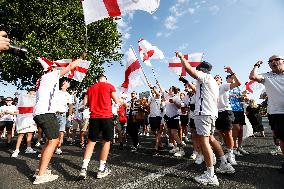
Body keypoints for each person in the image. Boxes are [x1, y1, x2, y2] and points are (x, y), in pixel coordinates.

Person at [177, 51, 235, 186]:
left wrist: (181, 57)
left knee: (204, 142)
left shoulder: (204, 76)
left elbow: (188, 69)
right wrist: (185, 81)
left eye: (198, 69)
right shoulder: (212, 82)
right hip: (210, 114)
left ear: (202, 70)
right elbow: (196, 90)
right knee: (210, 139)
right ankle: (224, 164)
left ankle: (210, 175)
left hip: (204, 114)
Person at [32, 56, 82, 185]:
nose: (56, 69)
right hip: (46, 113)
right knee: (54, 141)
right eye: (54, 67)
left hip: (41, 113)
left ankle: (40, 170)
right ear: (50, 69)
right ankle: (41, 175)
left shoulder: (42, 79)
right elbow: (70, 67)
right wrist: (81, 58)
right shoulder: (50, 76)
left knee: (50, 141)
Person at [79, 75, 120, 180]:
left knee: (91, 142)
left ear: (97, 80)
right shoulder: (109, 86)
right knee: (106, 142)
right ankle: (101, 169)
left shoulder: (90, 88)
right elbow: (117, 101)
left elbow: (85, 104)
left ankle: (83, 168)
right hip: (106, 117)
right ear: (106, 79)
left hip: (94, 117)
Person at [249, 55, 284, 173]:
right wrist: (256, 65)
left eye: (276, 59)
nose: (273, 62)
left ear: (283, 61)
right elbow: (253, 76)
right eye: (270, 61)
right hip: (276, 113)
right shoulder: (267, 76)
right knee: (282, 139)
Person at [214, 68, 241, 166]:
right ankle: (228, 150)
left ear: (221, 80)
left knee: (228, 134)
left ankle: (231, 154)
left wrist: (232, 73)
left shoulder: (224, 86)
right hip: (216, 113)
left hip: (226, 111)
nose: (216, 79)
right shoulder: (211, 89)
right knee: (222, 134)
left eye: (218, 78)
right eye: (215, 78)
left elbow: (238, 83)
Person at [11, 88, 37, 158]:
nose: (34, 93)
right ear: (29, 92)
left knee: (30, 133)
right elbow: (19, 107)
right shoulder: (23, 97)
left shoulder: (35, 98)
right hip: (23, 118)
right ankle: (16, 150)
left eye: (35, 92)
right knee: (21, 134)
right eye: (32, 91)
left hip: (31, 118)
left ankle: (28, 148)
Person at [54, 78, 73, 155]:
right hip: (54, 114)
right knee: (53, 132)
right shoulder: (56, 92)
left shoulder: (68, 95)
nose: (68, 83)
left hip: (62, 115)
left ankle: (58, 147)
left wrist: (70, 114)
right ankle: (51, 147)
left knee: (61, 132)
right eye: (67, 82)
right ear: (63, 83)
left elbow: (71, 105)